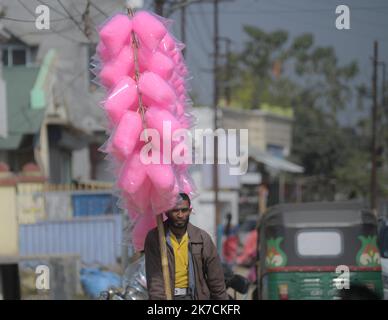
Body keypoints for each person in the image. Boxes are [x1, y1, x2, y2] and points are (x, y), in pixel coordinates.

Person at [144, 193, 228, 300]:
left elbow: (216, 279)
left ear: (190, 211)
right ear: (166, 212)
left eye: (184, 210)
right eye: (175, 210)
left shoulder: (202, 238)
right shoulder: (155, 238)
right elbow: (155, 279)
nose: (180, 215)